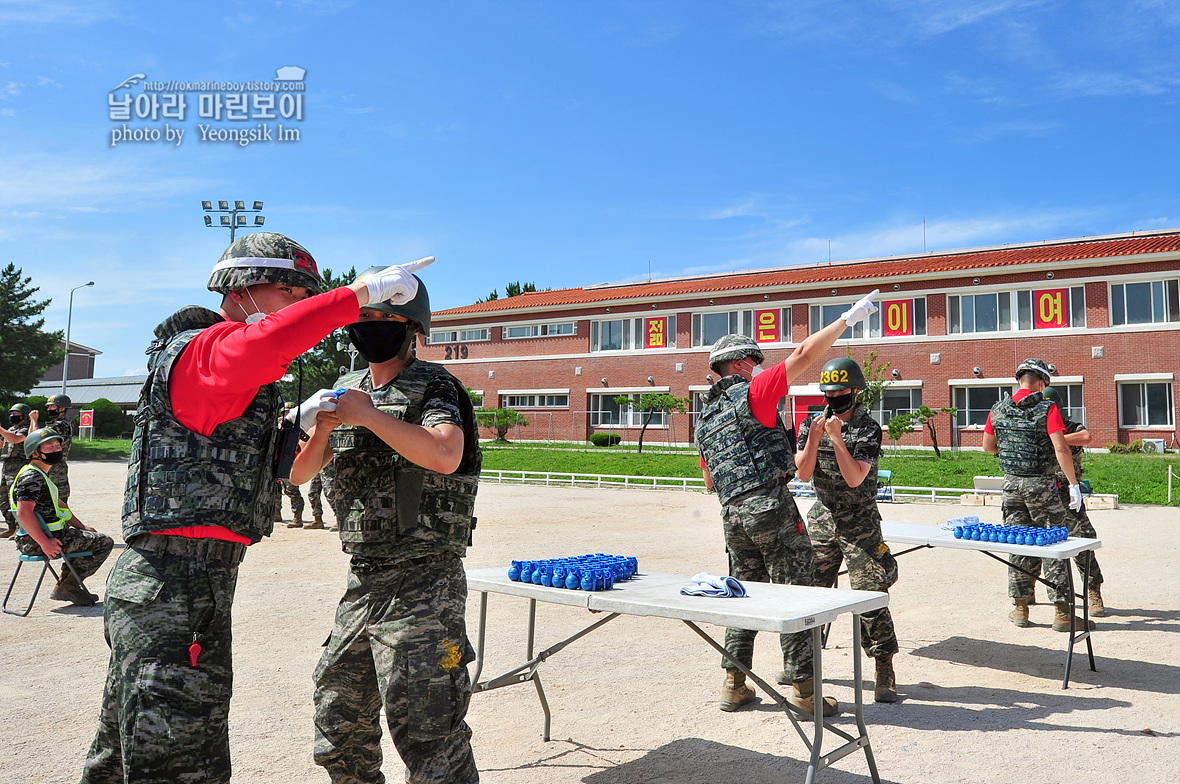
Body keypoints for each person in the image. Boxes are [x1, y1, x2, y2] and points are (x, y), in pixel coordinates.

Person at [80, 233, 432, 784]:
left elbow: (274, 467)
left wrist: (304, 423)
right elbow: (265, 343)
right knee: (181, 761)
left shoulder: (235, 374)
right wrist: (354, 295)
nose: (297, 304)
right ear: (244, 287)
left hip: (189, 584)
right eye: (291, 290)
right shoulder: (205, 347)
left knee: (126, 753)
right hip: (176, 585)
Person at [290, 268, 482, 784]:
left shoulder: (434, 386)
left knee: (429, 730)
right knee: (338, 719)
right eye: (365, 316)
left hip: (425, 580)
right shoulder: (346, 390)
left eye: (384, 318)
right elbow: (300, 472)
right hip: (364, 579)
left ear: (410, 326)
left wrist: (370, 416)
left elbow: (445, 453)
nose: (370, 325)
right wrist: (325, 427)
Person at [697, 290, 879, 717]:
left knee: (742, 594)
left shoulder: (704, 417)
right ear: (740, 364)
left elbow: (708, 478)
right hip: (770, 508)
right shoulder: (753, 391)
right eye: (754, 362)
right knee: (795, 595)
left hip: (732, 516)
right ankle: (804, 692)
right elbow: (801, 353)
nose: (760, 368)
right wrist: (846, 321)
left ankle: (734, 683)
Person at [794, 357, 900, 703]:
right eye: (829, 393)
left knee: (869, 596)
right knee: (811, 593)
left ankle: (883, 666)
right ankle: (803, 666)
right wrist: (813, 439)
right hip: (823, 516)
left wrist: (837, 439)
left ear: (856, 391)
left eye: (841, 393)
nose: (834, 399)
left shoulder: (868, 428)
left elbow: (855, 478)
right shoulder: (812, 422)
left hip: (860, 520)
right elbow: (804, 474)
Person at [981, 358, 1090, 633]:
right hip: (1041, 486)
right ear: (1041, 383)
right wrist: (1073, 485)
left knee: (1018, 545)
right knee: (1054, 545)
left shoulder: (997, 408)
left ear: (1019, 380)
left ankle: (1020, 607)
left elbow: (988, 447)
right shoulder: (1047, 408)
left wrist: (1012, 448)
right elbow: (1061, 448)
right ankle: (1063, 613)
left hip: (1010, 487)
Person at [9, 427, 113, 605]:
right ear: (35, 452)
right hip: (38, 541)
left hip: (44, 537)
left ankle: (66, 585)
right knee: (104, 542)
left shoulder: (39, 473)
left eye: (58, 445)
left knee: (87, 537)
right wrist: (44, 542)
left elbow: (59, 504)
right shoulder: (32, 477)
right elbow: (23, 512)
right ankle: (67, 586)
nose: (57, 448)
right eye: (50, 446)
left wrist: (81, 527)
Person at [1042, 385, 1105, 617]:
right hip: (1043, 495)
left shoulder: (1070, 426)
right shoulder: (1038, 424)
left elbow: (1086, 436)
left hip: (1071, 494)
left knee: (1084, 542)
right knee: (1039, 544)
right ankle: (1026, 593)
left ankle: (1093, 590)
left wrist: (1057, 439)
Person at [1, 402, 36, 538]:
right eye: (11, 413)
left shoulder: (27, 429)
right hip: (7, 467)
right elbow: (3, 443)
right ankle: (10, 526)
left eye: (16, 413)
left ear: (25, 416)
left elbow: (15, 439)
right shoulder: (10, 429)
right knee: (3, 499)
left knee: (16, 499)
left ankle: (19, 528)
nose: (12, 415)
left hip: (19, 467)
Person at [43, 394, 76, 505]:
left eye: (52, 406)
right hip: (49, 467)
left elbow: (39, 438)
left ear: (62, 408)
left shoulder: (62, 425)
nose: (49, 409)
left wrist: (33, 421)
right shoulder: (55, 424)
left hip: (56, 469)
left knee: (58, 506)